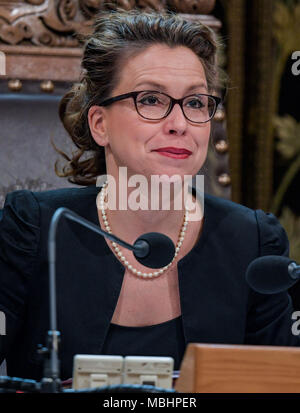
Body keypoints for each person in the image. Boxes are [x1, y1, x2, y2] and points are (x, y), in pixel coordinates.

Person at [0, 9, 299, 383]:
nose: (179, 124)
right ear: (100, 124)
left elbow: (277, 385)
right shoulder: (34, 229)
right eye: (152, 100)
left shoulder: (253, 243)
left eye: (195, 103)